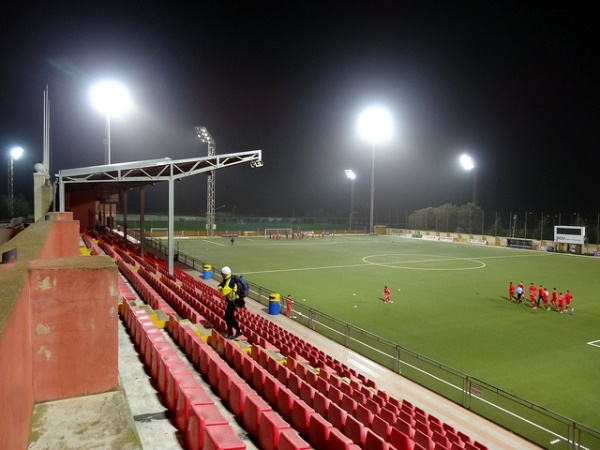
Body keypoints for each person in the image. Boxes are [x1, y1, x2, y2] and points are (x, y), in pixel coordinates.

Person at [217, 266, 243, 338]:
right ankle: (235, 332)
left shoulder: (230, 281)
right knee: (228, 317)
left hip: (234, 301)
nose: (221, 275)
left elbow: (223, 292)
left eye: (222, 273)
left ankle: (235, 332)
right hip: (231, 300)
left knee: (227, 317)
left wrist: (219, 287)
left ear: (225, 274)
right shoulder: (227, 279)